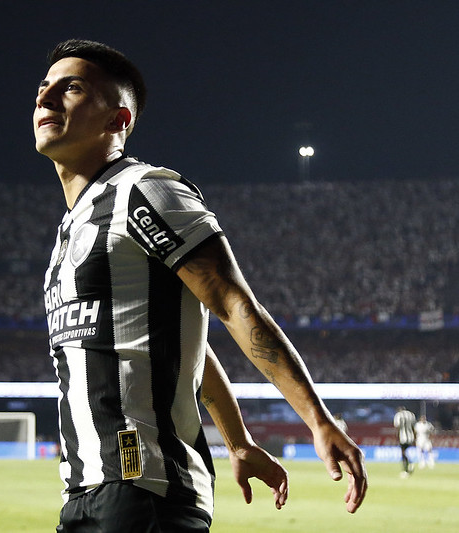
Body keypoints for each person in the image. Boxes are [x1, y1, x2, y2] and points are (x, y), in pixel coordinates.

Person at [35, 39, 367, 532]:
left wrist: (318, 419)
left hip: (141, 488)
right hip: (86, 492)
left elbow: (231, 303)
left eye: (72, 88)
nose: (45, 99)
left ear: (117, 120)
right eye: (44, 88)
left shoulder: (142, 190)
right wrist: (237, 442)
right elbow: (182, 343)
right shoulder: (72, 229)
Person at [394, 406, 416, 477]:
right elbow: (413, 427)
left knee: (403, 453)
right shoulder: (411, 414)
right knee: (405, 452)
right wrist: (415, 437)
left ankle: (407, 468)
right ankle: (409, 465)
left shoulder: (398, 415)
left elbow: (397, 426)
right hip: (411, 436)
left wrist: (397, 437)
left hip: (403, 437)